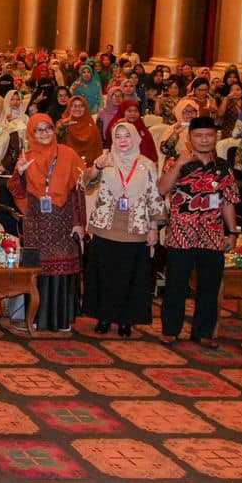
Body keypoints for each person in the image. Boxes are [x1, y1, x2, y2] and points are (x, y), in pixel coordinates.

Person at [158, 115, 240, 344]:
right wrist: (180, 164)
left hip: (212, 235)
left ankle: (203, 332)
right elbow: (161, 188)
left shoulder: (223, 166)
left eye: (208, 135)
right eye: (199, 135)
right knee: (175, 285)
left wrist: (232, 232)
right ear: (190, 138)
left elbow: (228, 200)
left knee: (209, 286)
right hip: (180, 234)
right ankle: (170, 330)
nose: (204, 140)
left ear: (215, 137)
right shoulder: (176, 161)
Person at [81, 121, 165, 337]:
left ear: (136, 138)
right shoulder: (105, 160)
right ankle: (104, 317)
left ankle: (126, 320)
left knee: (131, 277)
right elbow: (86, 185)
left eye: (127, 136)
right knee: (105, 276)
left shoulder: (146, 164)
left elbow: (153, 197)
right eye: (118, 137)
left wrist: (154, 227)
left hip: (135, 229)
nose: (122, 141)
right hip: (106, 227)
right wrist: (97, 167)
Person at [7, 113, 87, 332]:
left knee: (62, 272)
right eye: (38, 130)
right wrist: (20, 173)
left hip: (64, 222)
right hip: (36, 224)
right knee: (36, 273)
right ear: (31, 134)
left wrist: (79, 222)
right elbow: (15, 191)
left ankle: (61, 320)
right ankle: (33, 318)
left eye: (48, 128)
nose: (44, 133)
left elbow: (79, 190)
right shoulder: (27, 157)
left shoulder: (69, 154)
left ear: (54, 131)